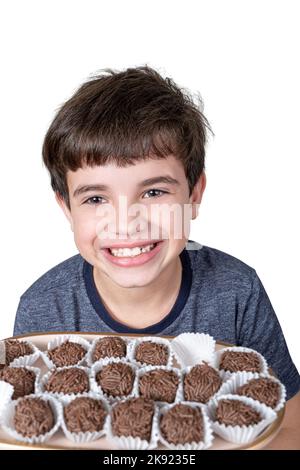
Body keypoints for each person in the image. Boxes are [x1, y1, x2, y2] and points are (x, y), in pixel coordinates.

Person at [13, 66, 300, 404]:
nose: (126, 223)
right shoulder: (44, 308)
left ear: (193, 194)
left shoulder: (236, 292)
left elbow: (289, 419)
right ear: (67, 209)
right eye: (95, 199)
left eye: (153, 193)